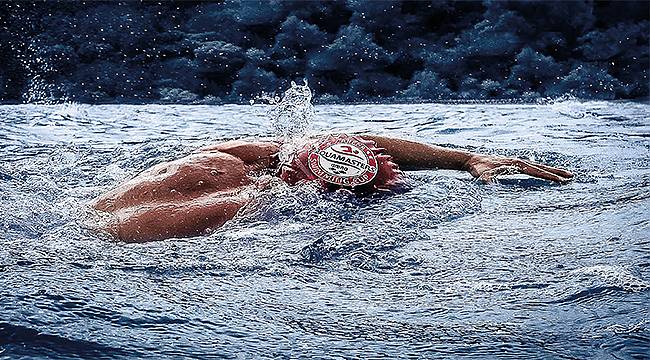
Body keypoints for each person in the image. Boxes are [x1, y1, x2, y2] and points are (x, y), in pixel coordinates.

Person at [93, 134, 573, 242]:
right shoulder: (243, 204)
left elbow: (354, 142)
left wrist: (465, 159)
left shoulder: (228, 154)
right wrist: (464, 161)